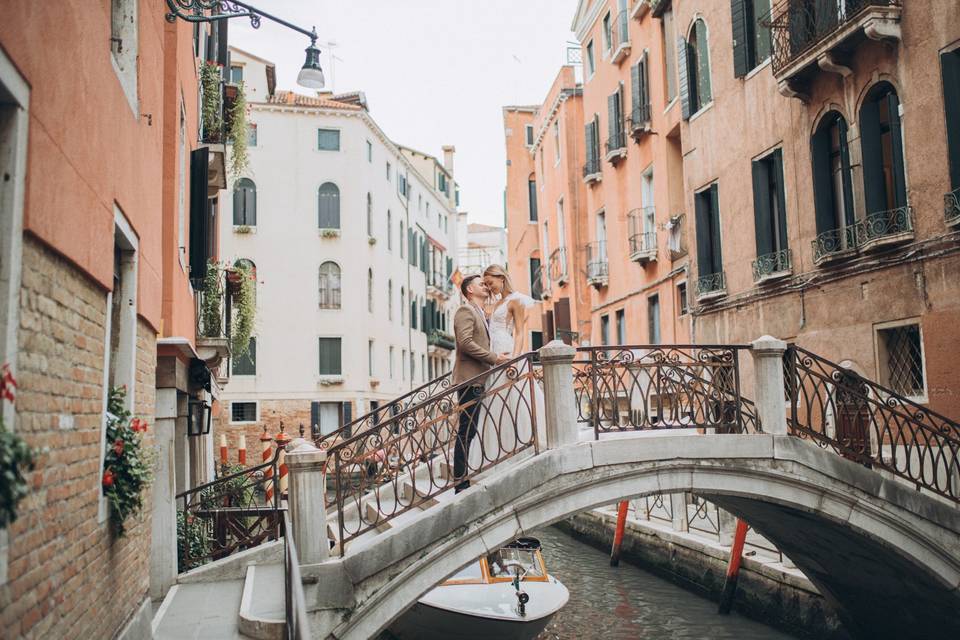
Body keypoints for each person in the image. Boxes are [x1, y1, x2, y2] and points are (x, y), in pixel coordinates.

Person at [473, 264, 546, 464]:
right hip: (495, 355)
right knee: (496, 400)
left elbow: (520, 331)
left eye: (490, 283)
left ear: (501, 278)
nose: (489, 287)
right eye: (485, 284)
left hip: (507, 350)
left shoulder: (516, 300)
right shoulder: (496, 303)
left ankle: (521, 443)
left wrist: (516, 358)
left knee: (514, 398)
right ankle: (500, 447)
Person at [452, 274, 510, 493]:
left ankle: (462, 477)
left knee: (471, 429)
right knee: (466, 431)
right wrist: (494, 358)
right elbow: (465, 343)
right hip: (469, 379)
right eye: (480, 284)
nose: (485, 286)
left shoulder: (479, 312)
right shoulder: (465, 311)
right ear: (469, 290)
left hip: (477, 378)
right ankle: (460, 482)